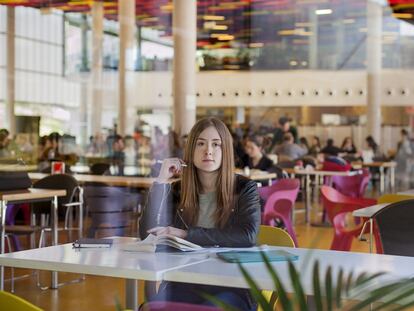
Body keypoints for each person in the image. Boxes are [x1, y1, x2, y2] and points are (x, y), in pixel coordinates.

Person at [139, 117, 260, 310]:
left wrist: (186, 234)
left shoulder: (245, 188)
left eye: (216, 144)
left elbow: (247, 236)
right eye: (200, 144)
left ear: (225, 150)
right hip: (183, 281)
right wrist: (161, 182)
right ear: (191, 150)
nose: (208, 151)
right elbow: (146, 234)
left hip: (232, 285)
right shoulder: (179, 190)